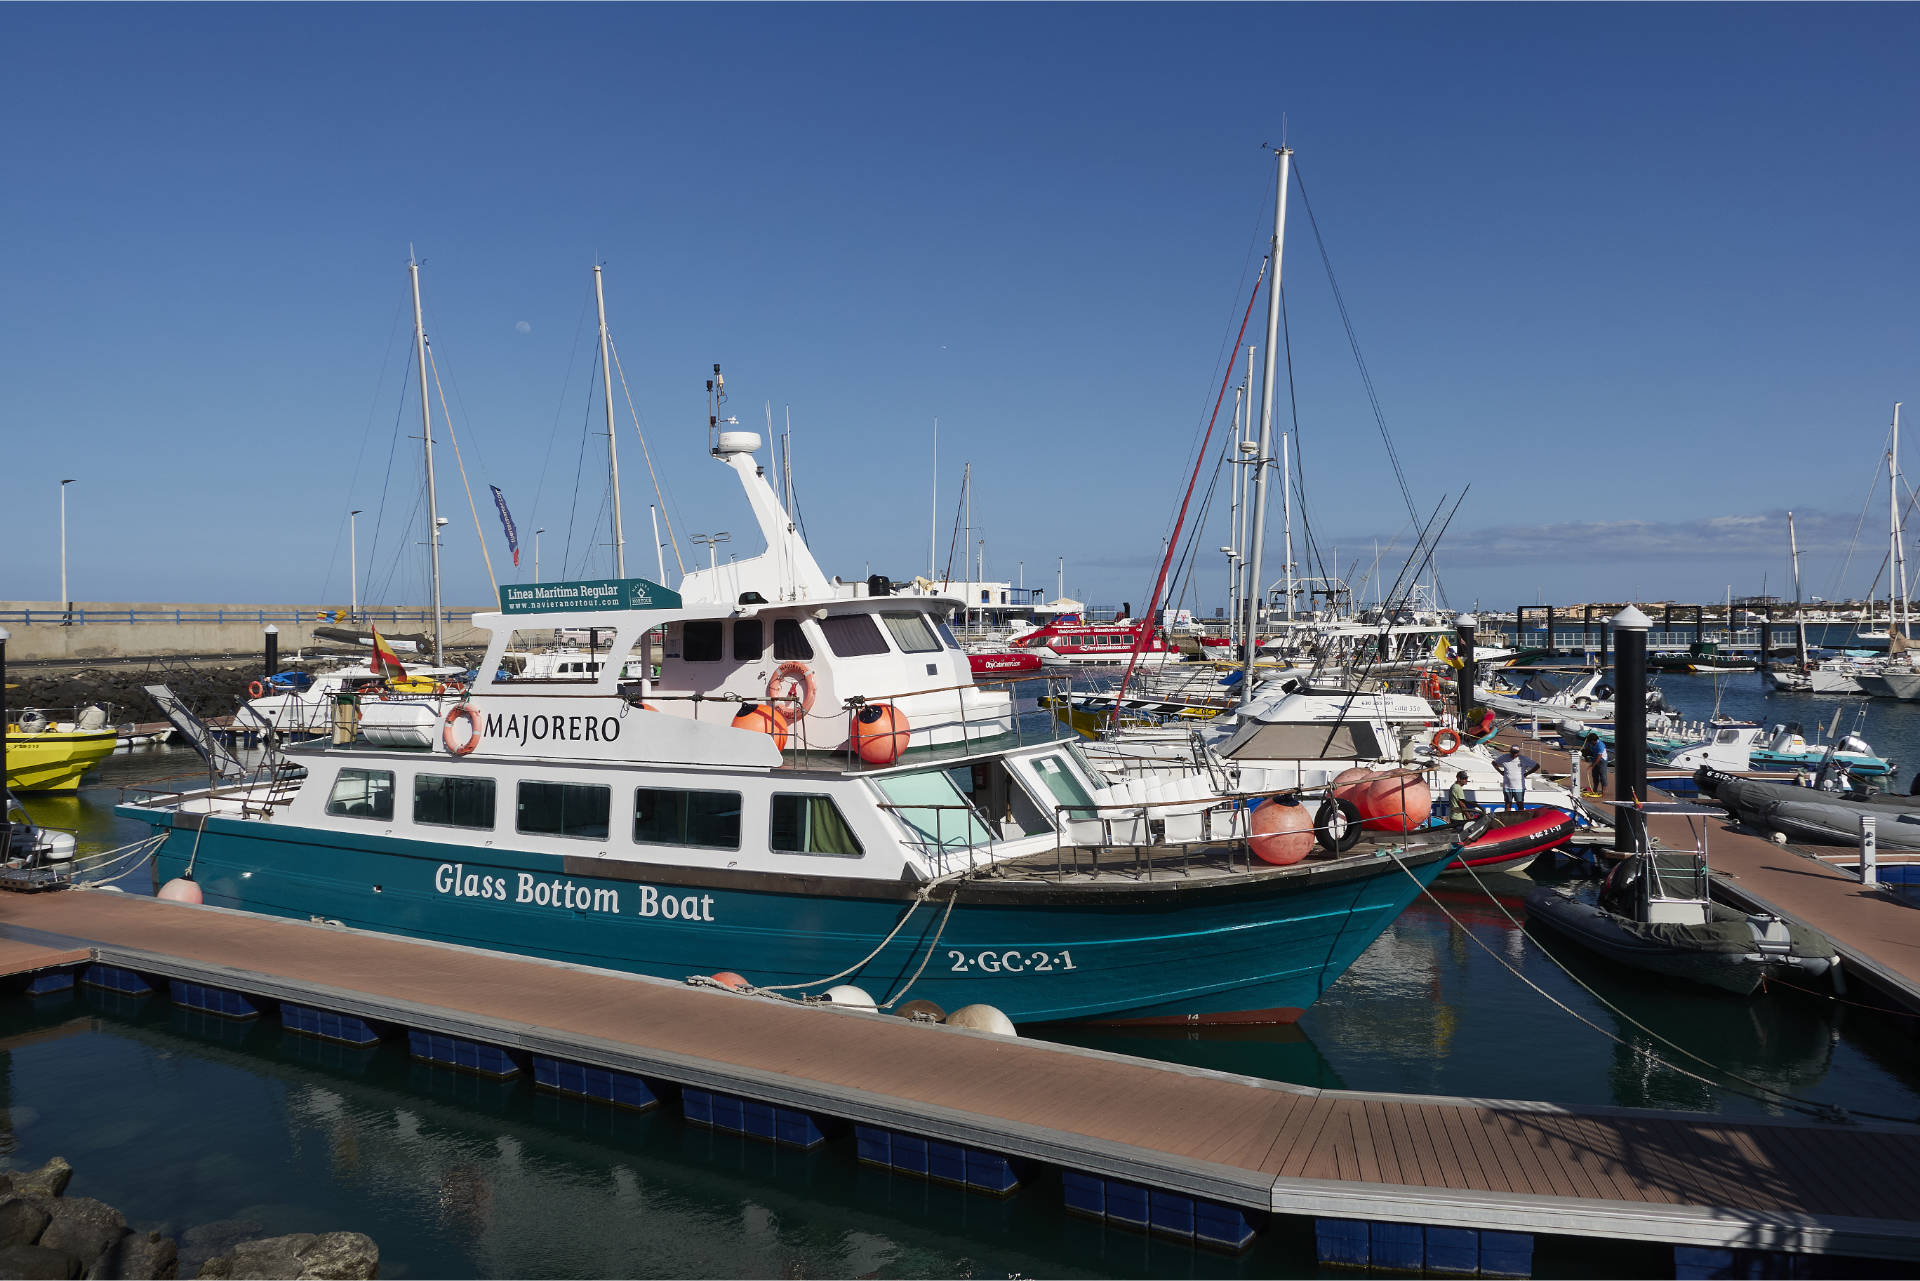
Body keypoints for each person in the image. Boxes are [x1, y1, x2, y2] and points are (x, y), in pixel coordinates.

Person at [1493, 747, 1538, 812]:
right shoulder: (1504, 757)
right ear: (1510, 752)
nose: (1514, 754)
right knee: (1508, 804)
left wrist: (1527, 773)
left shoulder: (1523, 759)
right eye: (1513, 752)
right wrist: (1500, 771)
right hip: (1507, 786)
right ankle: (1508, 818)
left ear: (1518, 752)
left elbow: (1536, 766)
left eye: (1515, 753)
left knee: (1520, 804)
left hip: (1519, 787)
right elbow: (1494, 763)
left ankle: (1522, 818)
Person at [1583, 733, 1609, 798]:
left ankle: (1603, 792)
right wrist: (1585, 756)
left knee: (1602, 776)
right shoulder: (1590, 743)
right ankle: (1595, 790)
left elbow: (1599, 757)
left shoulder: (1600, 745)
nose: (1589, 743)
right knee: (1595, 775)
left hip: (1602, 760)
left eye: (1590, 742)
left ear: (1594, 741)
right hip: (1595, 758)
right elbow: (1587, 749)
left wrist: (1592, 765)